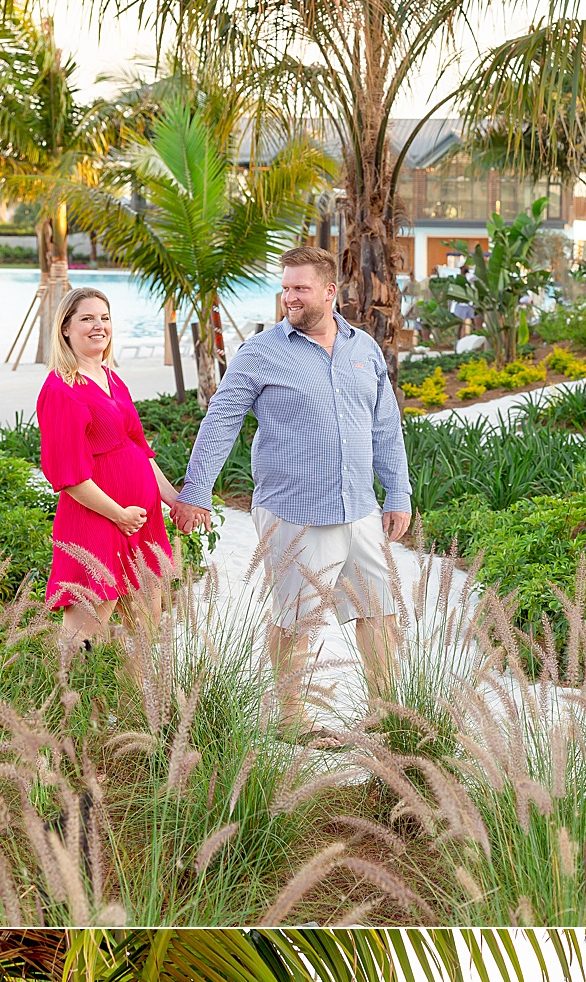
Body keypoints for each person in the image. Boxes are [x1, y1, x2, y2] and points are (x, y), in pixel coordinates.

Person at [171, 244, 412, 721]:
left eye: (300, 288)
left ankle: (385, 713)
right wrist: (195, 492)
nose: (290, 298)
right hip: (294, 510)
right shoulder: (260, 353)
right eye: (285, 289)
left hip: (359, 507)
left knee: (379, 611)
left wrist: (397, 492)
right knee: (296, 616)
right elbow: (221, 421)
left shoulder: (364, 349)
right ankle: (289, 717)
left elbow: (385, 425)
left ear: (329, 291)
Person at [36, 288, 183, 646]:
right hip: (97, 520)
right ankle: (67, 702)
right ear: (65, 329)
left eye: (104, 317)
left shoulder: (112, 379)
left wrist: (174, 499)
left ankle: (138, 701)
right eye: (87, 318)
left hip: (140, 521)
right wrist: (118, 515)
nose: (98, 326)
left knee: (145, 636)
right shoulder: (60, 389)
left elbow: (140, 449)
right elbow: (67, 476)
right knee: (81, 643)